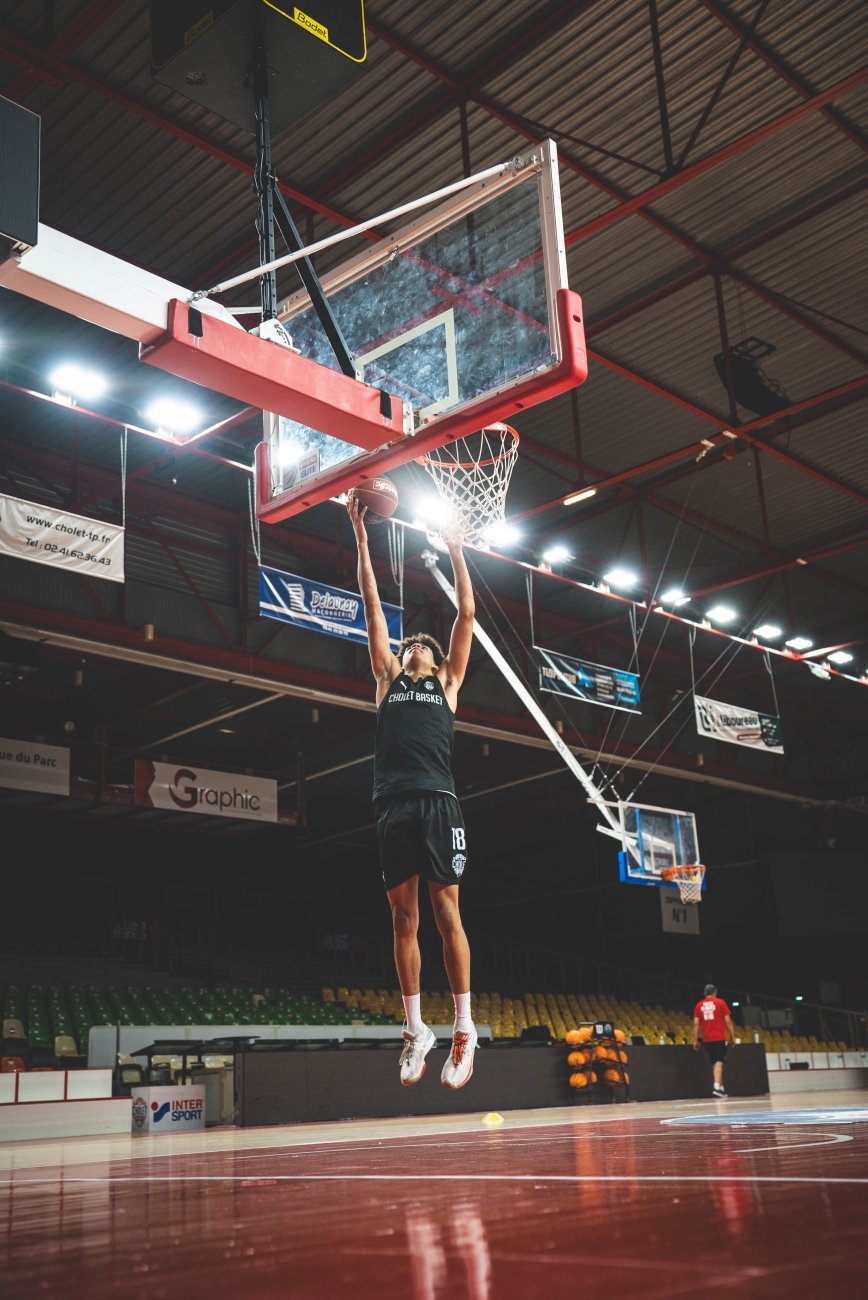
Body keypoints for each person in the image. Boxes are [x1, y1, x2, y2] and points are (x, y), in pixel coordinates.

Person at [348, 497, 477, 1090]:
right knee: (403, 918)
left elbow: (467, 617)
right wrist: (360, 534)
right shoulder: (386, 681)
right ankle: (415, 1028)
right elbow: (372, 604)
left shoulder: (448, 683)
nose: (412, 646)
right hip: (392, 805)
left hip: (437, 801)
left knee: (446, 910)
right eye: (408, 646)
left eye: (420, 644)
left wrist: (454, 549)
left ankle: (464, 1026)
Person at [693, 983, 736, 1098]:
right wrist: (733, 1036)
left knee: (714, 1063)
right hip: (719, 1038)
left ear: (704, 994)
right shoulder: (720, 1003)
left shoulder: (698, 1006)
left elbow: (696, 1024)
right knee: (719, 1062)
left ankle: (721, 1089)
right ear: (715, 993)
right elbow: (728, 1021)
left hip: (707, 1040)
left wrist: (695, 1040)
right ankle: (716, 1086)